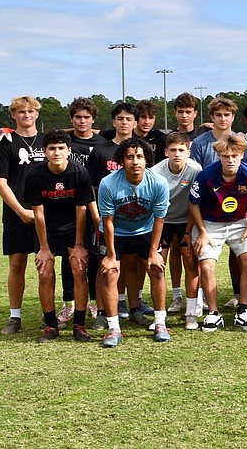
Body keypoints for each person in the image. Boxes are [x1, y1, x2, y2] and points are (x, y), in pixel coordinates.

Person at [96, 138, 170, 347]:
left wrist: (154, 251)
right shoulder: (108, 183)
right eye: (129, 157)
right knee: (110, 272)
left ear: (147, 159)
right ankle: (113, 328)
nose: (135, 161)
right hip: (116, 233)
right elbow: (107, 221)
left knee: (157, 269)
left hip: (145, 231)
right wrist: (111, 255)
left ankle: (160, 323)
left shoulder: (158, 182)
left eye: (139, 156)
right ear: (121, 160)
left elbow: (159, 219)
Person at [189, 135, 247, 332]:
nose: (230, 160)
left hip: (240, 222)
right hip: (210, 223)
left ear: (242, 155)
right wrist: (202, 231)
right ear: (219, 156)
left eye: (234, 156)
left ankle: (244, 309)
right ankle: (213, 313)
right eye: (225, 156)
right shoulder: (206, 175)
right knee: (206, 265)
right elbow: (193, 203)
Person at [25, 129, 94, 342]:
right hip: (48, 230)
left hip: (74, 229)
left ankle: (79, 324)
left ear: (69, 150)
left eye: (61, 148)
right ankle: (51, 325)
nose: (56, 152)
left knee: (79, 269)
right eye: (52, 148)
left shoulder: (79, 173)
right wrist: (44, 248)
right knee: (45, 271)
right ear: (44, 151)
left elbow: (81, 210)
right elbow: (38, 212)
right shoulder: (35, 175)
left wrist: (79, 244)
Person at [86, 102, 151, 324]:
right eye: (120, 119)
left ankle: (134, 308)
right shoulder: (101, 149)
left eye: (129, 119)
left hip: (135, 220)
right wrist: (97, 218)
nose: (124, 123)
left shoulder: (141, 149)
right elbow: (92, 187)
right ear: (113, 122)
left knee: (131, 265)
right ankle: (102, 313)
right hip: (106, 219)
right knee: (104, 265)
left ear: (136, 122)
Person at [0, 95, 46, 335]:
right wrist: (21, 210)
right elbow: (1, 182)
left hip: (45, 212)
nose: (26, 115)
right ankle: (15, 317)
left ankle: (49, 315)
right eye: (21, 112)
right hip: (17, 211)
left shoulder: (47, 140)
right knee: (16, 263)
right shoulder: (6, 142)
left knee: (45, 265)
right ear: (13, 115)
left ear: (37, 114)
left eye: (30, 111)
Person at [59, 97, 107, 326]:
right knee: (71, 259)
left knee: (96, 257)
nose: (82, 121)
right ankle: (68, 303)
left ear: (93, 119)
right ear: (71, 119)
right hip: (68, 209)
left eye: (86, 117)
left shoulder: (102, 142)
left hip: (95, 207)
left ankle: (96, 303)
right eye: (77, 117)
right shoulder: (64, 141)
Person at [150, 132, 203, 329]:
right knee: (157, 266)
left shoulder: (196, 169)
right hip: (162, 220)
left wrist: (188, 232)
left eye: (181, 150)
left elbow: (195, 202)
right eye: (173, 150)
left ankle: (191, 313)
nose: (177, 154)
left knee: (190, 260)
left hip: (186, 220)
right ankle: (160, 316)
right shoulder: (155, 172)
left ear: (188, 151)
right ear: (166, 152)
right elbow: (155, 206)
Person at [190, 96, 247, 167]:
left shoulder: (243, 144)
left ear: (233, 117)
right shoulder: (199, 143)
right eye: (218, 115)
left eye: (226, 115)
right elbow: (195, 172)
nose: (223, 119)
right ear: (212, 117)